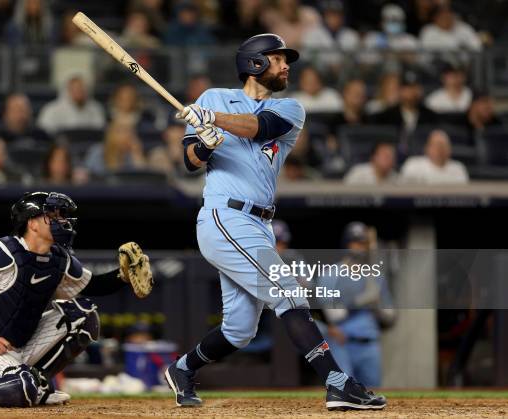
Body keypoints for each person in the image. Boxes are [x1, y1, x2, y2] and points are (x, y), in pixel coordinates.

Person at [165, 33, 386, 411]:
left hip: (260, 224)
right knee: (288, 292)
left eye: (286, 61)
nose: (287, 67)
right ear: (254, 62)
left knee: (239, 330)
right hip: (224, 216)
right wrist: (205, 144)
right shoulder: (213, 97)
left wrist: (212, 121)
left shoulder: (290, 109)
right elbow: (189, 161)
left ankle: (182, 369)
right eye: (279, 59)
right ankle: (337, 382)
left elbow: (258, 127)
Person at [0, 191, 153, 407]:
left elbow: (92, 285)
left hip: (18, 346)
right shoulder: (5, 253)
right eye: (51, 215)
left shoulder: (59, 259)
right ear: (31, 223)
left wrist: (122, 276)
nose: (61, 220)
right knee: (20, 388)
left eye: (61, 215)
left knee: (83, 316)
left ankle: (38, 383)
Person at [316, 222, 396, 387]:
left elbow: (390, 317)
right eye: (355, 243)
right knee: (343, 392)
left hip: (369, 343)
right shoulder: (331, 275)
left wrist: (378, 306)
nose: (359, 248)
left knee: (372, 394)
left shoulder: (375, 277)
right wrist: (359, 301)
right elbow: (330, 315)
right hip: (341, 344)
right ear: (347, 244)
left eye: (363, 243)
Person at [37, 73, 106, 134]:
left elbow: (100, 131)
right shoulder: (51, 109)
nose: (79, 91)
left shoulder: (96, 109)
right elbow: (45, 131)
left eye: (82, 88)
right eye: (75, 88)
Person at [374, 70, 436, 134]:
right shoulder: (385, 117)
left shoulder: (431, 116)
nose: (411, 92)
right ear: (399, 90)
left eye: (414, 87)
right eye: (407, 88)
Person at [400, 129, 469, 184]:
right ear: (427, 148)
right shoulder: (413, 165)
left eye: (444, 145)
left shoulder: (458, 169)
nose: (441, 149)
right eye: (437, 145)